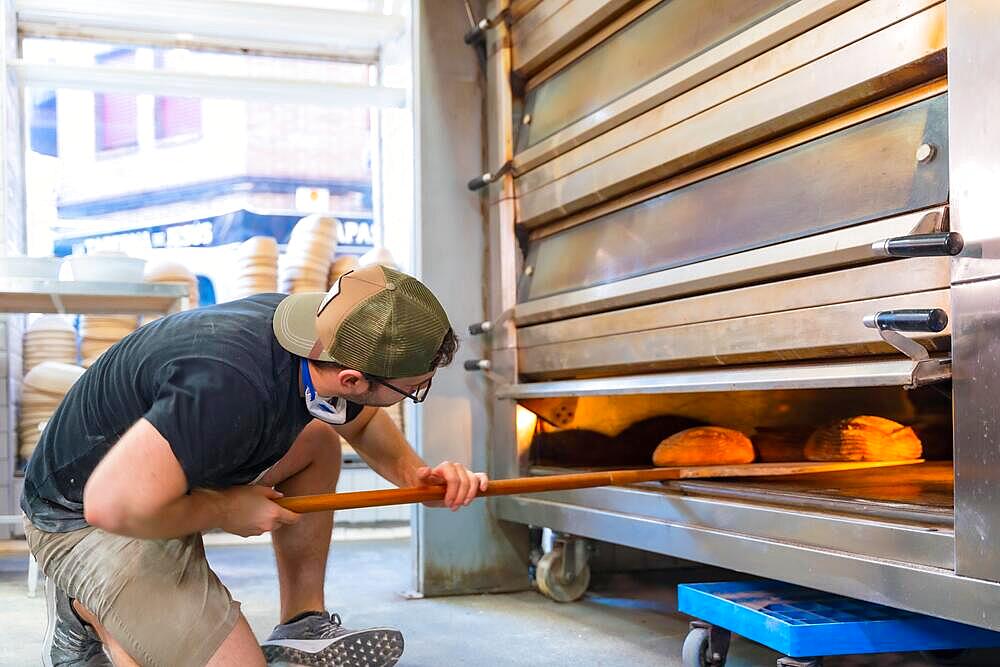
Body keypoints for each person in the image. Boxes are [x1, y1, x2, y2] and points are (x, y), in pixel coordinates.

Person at [21, 264, 486, 667]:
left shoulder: (316, 333)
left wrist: (415, 475)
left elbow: (359, 422)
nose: (414, 396)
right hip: (84, 516)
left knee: (318, 442)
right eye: (413, 390)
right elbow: (111, 505)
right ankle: (84, 607)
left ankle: (302, 623)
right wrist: (225, 509)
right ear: (352, 378)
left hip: (162, 478)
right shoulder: (228, 384)